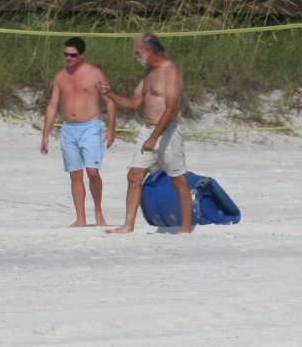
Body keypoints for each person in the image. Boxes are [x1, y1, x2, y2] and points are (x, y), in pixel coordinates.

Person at [99, 32, 193, 234]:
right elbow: (134, 103)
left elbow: (170, 108)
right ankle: (128, 225)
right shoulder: (149, 73)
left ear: (148, 51)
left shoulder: (170, 70)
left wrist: (154, 137)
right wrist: (109, 94)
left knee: (178, 180)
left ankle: (185, 228)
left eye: (137, 52)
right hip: (148, 128)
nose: (136, 56)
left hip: (167, 131)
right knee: (134, 175)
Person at [41, 37, 117, 227]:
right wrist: (45, 135)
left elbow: (110, 101)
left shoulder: (94, 73)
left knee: (92, 172)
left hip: (90, 127)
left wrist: (111, 129)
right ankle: (80, 218)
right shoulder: (60, 76)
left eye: (73, 55)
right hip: (68, 128)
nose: (68, 58)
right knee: (75, 174)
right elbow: (52, 106)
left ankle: (98, 211)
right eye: (66, 54)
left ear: (82, 55)